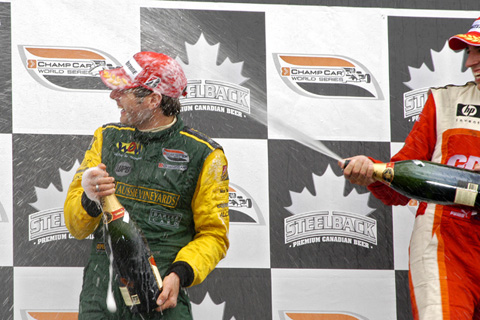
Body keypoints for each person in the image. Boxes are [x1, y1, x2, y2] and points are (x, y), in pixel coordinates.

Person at [64, 51, 230, 320]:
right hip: (102, 287)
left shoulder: (205, 154)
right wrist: (88, 198)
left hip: (162, 287)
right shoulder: (106, 138)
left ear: (154, 100)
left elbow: (214, 235)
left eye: (123, 91)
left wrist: (180, 273)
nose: (113, 96)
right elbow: (76, 226)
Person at [340, 17, 480, 319]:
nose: (470, 62)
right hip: (446, 247)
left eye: (479, 51)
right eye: (468, 51)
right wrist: (373, 171)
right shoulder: (444, 102)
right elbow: (402, 183)